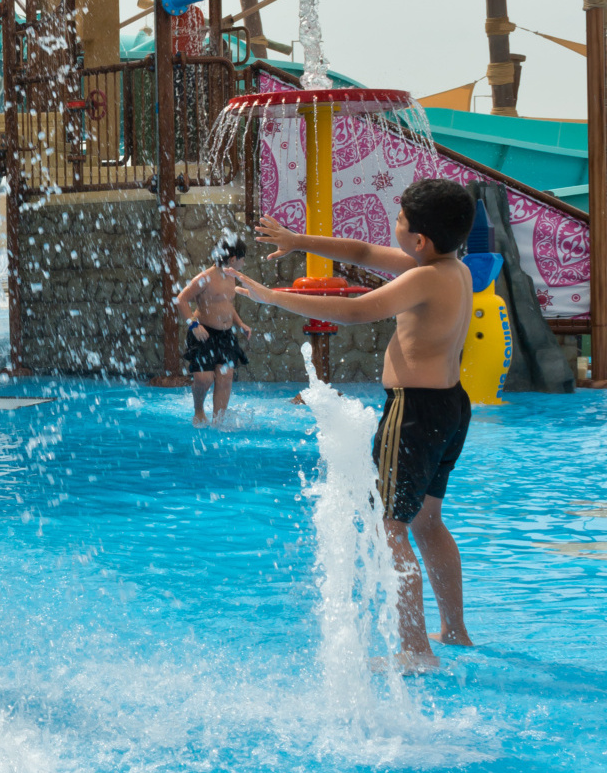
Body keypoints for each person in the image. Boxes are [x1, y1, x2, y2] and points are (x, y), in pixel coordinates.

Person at [233, 179, 477, 670]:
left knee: (391, 528)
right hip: (450, 405)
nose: (396, 227)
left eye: (401, 221)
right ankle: (454, 630)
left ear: (419, 240)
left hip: (414, 412)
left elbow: (354, 311)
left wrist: (273, 297)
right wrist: (299, 241)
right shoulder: (449, 268)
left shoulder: (422, 277)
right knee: (428, 522)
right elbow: (362, 250)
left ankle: (414, 649)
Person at [175, 233, 254, 424]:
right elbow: (181, 299)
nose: (243, 263)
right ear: (233, 259)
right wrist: (193, 325)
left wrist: (240, 323)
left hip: (225, 336)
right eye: (243, 259)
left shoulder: (230, 277)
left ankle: (219, 422)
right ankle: (198, 410)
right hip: (204, 334)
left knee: (225, 377)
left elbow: (226, 304)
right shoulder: (205, 278)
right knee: (204, 379)